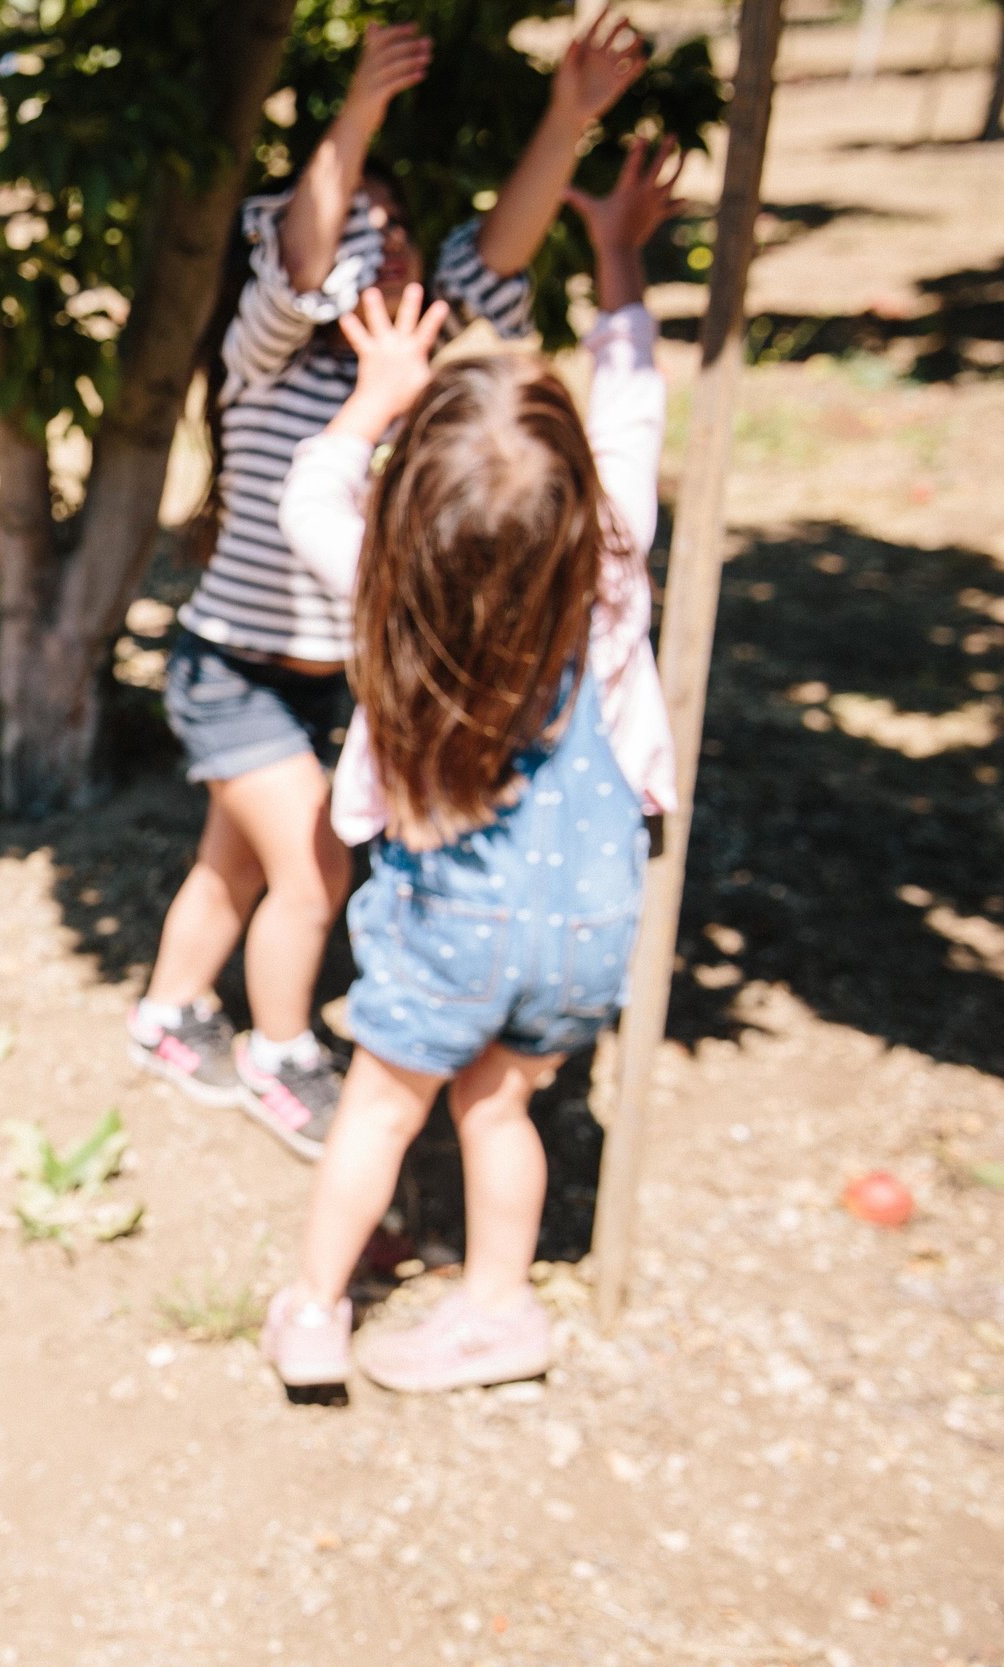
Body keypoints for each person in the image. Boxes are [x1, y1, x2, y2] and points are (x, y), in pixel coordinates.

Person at [128, 12, 653, 1160]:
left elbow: (499, 252)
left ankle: (168, 1014)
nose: (388, 247)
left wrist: (569, 117)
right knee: (312, 866)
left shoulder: (423, 380)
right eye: (360, 230)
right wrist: (357, 111)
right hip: (236, 668)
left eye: (399, 231)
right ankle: (280, 1054)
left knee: (236, 858)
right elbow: (303, 258)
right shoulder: (268, 356)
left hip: (334, 681)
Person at [257, 133, 687, 1394]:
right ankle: (500, 1309)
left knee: (383, 1106)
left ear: (406, 515)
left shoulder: (386, 595)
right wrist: (617, 261)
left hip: (445, 914)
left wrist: (375, 393)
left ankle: (313, 1312)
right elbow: (635, 410)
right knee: (499, 1104)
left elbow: (306, 494)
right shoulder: (608, 578)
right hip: (583, 914)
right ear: (581, 504)